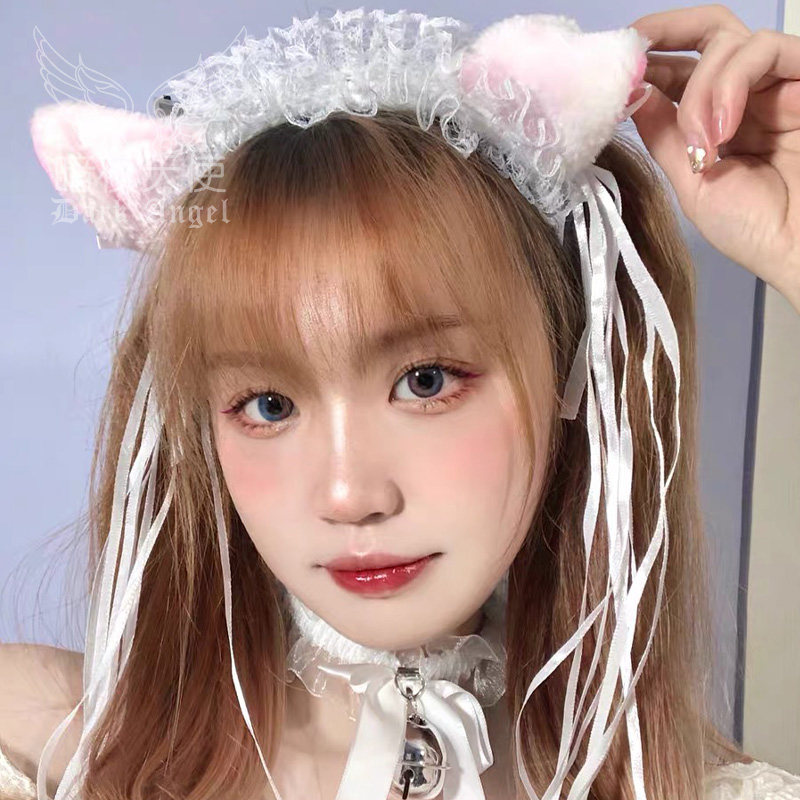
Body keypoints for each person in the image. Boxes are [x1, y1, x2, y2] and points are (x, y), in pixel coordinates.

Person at [1, 5, 799, 800]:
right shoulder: (55, 746)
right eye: (269, 404)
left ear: (568, 365)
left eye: (426, 381)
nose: (351, 495)